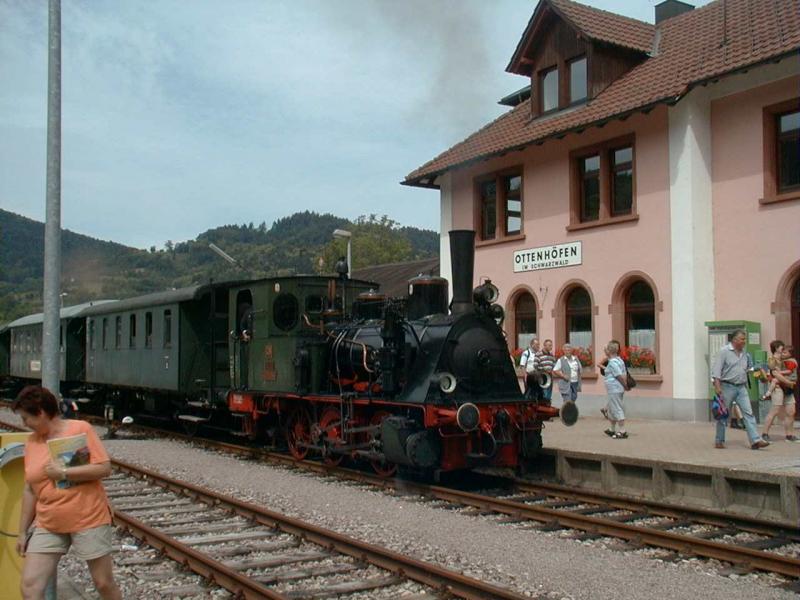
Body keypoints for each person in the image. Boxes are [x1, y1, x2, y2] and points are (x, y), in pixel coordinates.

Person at [13, 386, 122, 600]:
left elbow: (103, 468)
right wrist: (22, 531)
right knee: (30, 586)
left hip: (87, 517)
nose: (24, 424)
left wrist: (63, 472)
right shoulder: (32, 443)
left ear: (41, 413)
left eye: (26, 418)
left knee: (103, 583)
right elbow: (30, 489)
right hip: (49, 521)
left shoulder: (79, 429)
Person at [711, 329, 769, 450]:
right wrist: (717, 387)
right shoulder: (724, 351)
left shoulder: (745, 353)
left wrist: (759, 372)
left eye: (744, 339)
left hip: (741, 387)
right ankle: (719, 440)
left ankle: (755, 440)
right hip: (727, 386)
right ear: (735, 340)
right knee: (723, 415)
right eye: (742, 339)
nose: (744, 341)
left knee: (748, 413)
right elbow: (716, 371)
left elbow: (749, 368)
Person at [761, 341, 797, 442]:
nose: (783, 349)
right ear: (777, 348)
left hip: (787, 388)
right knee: (775, 410)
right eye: (782, 347)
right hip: (778, 387)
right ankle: (764, 433)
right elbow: (775, 374)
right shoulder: (772, 359)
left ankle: (789, 435)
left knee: (791, 411)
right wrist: (788, 382)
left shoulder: (785, 358)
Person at [600, 340, 629, 439]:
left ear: (609, 351)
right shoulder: (619, 360)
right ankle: (612, 429)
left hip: (615, 388)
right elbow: (624, 373)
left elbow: (618, 375)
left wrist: (625, 385)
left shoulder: (612, 362)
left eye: (606, 349)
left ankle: (622, 431)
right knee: (612, 409)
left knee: (617, 408)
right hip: (616, 388)